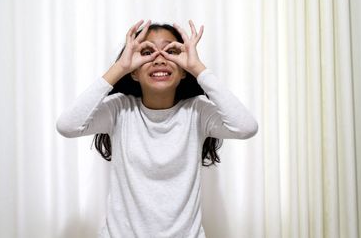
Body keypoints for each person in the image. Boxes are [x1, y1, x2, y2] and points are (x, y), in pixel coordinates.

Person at [56, 19, 258, 238]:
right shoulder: (119, 109)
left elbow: (246, 127)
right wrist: (119, 68)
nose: (160, 59)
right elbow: (68, 126)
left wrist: (197, 68)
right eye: (147, 52)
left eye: (171, 51)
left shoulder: (197, 112)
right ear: (133, 71)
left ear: (183, 71)